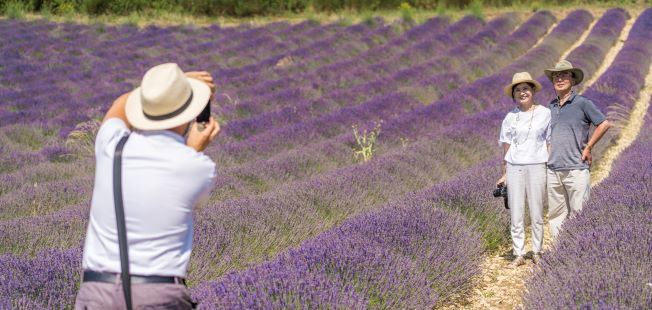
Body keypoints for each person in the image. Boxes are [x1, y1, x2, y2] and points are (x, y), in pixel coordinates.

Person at [75, 63, 220, 310]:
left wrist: (159, 92)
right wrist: (194, 148)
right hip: (156, 296)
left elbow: (117, 108)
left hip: (96, 293)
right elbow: (173, 189)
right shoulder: (197, 167)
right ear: (188, 114)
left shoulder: (111, 145)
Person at [544, 60, 610, 239]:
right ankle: (560, 250)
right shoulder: (550, 106)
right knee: (556, 216)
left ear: (572, 80)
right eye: (556, 76)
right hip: (553, 169)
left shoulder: (582, 103)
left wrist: (589, 147)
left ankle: (577, 249)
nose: (560, 78)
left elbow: (604, 124)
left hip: (576, 167)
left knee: (579, 214)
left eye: (564, 75)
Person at [497, 72, 550, 267]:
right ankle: (518, 253)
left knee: (536, 210)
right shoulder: (510, 117)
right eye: (517, 90)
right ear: (514, 95)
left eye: (525, 89)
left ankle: (537, 250)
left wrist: (550, 164)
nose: (522, 93)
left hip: (537, 164)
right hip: (515, 166)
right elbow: (506, 145)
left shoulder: (545, 113)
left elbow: (549, 141)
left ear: (533, 90)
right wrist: (504, 173)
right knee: (516, 212)